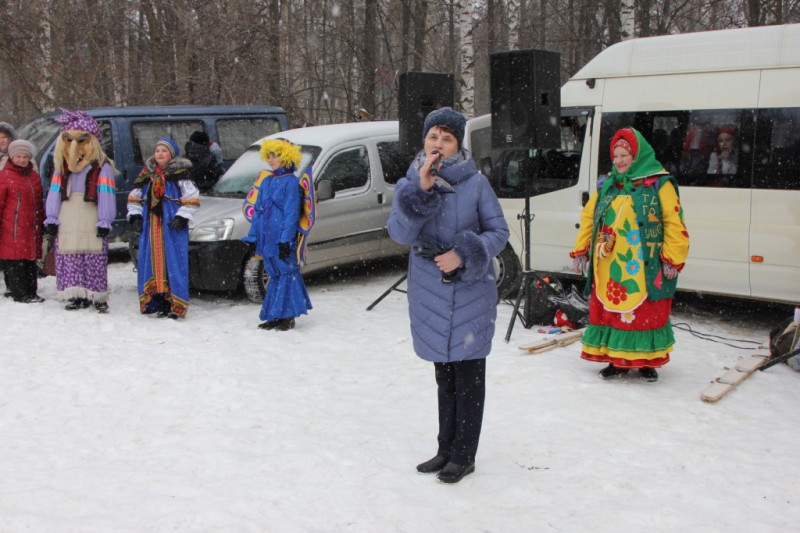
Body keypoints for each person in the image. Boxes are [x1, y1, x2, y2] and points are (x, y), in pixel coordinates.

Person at [387, 107, 509, 484]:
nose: (438, 144)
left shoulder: (476, 183)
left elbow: (499, 232)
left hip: (470, 293)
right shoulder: (411, 182)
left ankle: (464, 455)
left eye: (447, 138)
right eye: (433, 137)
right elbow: (399, 234)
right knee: (445, 376)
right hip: (430, 293)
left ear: (458, 144)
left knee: (469, 377)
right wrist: (421, 191)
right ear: (424, 141)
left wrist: (464, 253)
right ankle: (445, 450)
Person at [570, 127, 690, 382]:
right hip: (610, 264)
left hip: (644, 265)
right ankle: (617, 360)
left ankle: (646, 361)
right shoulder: (607, 184)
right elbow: (589, 217)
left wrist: (672, 258)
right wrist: (581, 249)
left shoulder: (659, 183)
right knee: (614, 312)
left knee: (644, 314)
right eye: (615, 156)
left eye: (624, 155)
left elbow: (674, 221)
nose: (619, 161)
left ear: (637, 156)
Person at [44, 108, 117, 313]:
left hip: (90, 213)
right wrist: (51, 216)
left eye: (81, 140)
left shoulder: (101, 168)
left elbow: (106, 194)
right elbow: (54, 192)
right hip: (67, 214)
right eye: (68, 140)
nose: (74, 146)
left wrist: (105, 219)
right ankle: (76, 293)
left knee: (93, 255)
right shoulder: (61, 168)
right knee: (70, 255)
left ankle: (96, 294)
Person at [242, 138, 312, 331]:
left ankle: (288, 315)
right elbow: (258, 212)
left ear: (287, 157)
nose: (271, 160)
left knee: (286, 272)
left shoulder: (291, 183)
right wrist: (253, 236)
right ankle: (275, 314)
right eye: (269, 155)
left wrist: (285, 240)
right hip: (266, 237)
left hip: (281, 237)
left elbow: (291, 213)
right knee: (273, 273)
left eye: (276, 156)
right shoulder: (266, 181)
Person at [127, 138, 199, 319]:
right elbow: (135, 197)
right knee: (151, 260)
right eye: (157, 150)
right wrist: (135, 215)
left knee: (173, 261)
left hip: (171, 225)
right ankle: (157, 300)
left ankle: (175, 304)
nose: (159, 154)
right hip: (150, 226)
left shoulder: (180, 174)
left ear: (172, 155)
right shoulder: (147, 175)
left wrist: (182, 217)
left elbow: (191, 197)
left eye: (164, 151)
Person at [0, 140, 45, 303]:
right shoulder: (4, 176)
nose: (21, 160)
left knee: (30, 260)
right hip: (11, 228)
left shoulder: (33, 176)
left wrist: (42, 221)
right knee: (15, 261)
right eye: (18, 156)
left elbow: (39, 203)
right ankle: (20, 294)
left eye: (25, 157)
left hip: (31, 227)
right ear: (12, 157)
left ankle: (32, 292)